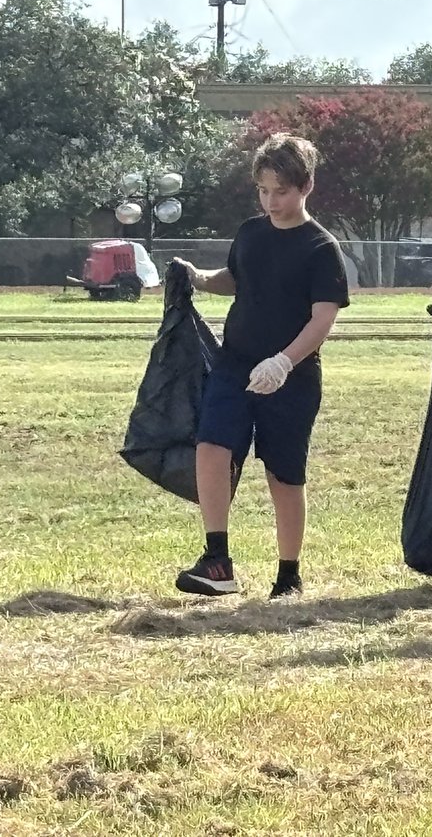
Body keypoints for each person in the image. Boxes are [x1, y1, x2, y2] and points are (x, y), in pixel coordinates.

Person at [170, 133, 350, 599]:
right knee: (211, 447)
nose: (271, 201)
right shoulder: (251, 231)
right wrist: (199, 278)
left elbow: (322, 318)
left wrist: (284, 363)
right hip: (235, 366)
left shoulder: (320, 248)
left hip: (291, 378)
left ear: (306, 186)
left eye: (282, 191)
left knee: (283, 474)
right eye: (264, 190)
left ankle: (288, 574)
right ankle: (217, 562)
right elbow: (236, 277)